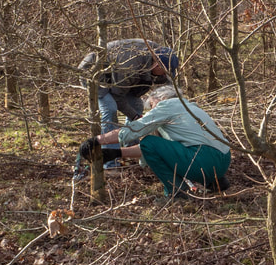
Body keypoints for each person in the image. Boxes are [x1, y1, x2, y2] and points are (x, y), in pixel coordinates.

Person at [78, 85, 230, 201]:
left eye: (151, 105)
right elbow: (160, 150)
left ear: (160, 99)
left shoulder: (167, 106)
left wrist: (97, 140)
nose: (151, 111)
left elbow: (136, 129)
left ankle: (176, 193)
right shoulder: (189, 107)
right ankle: (214, 181)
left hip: (203, 160)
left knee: (149, 141)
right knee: (152, 143)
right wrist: (116, 153)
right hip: (222, 161)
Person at [78, 39, 179, 169]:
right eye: (164, 71)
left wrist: (177, 103)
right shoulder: (132, 65)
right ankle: (109, 161)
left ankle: (129, 151)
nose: (165, 74)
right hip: (94, 74)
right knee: (110, 108)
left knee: (137, 105)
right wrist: (136, 118)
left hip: (119, 80)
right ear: (157, 65)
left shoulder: (161, 55)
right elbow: (117, 97)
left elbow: (167, 84)